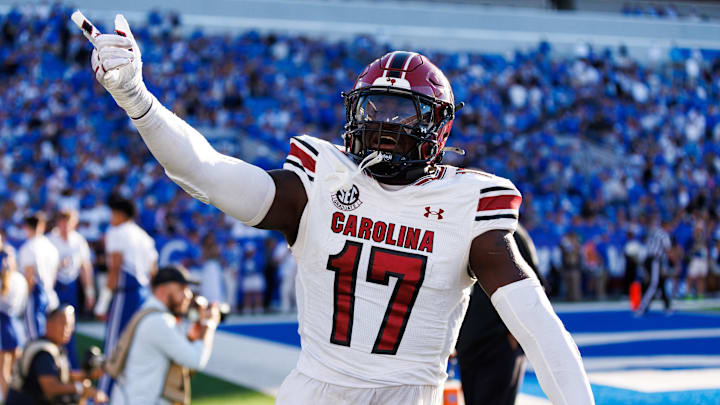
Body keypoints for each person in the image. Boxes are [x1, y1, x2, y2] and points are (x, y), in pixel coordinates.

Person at [74, 14, 594, 404]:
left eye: (402, 112)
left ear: (439, 127)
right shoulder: (318, 181)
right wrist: (137, 99)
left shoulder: (467, 205)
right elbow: (206, 173)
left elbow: (539, 328)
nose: (385, 125)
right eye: (374, 108)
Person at [455, 224, 543, 405]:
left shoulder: (512, 233)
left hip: (498, 342)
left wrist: (516, 334)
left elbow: (534, 287)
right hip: (469, 342)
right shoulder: (462, 228)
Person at [109, 265, 219, 405]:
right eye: (181, 289)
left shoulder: (153, 314)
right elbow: (196, 360)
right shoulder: (158, 321)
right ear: (162, 290)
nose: (188, 295)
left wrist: (193, 336)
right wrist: (209, 323)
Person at [94, 196, 158, 399]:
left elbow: (114, 269)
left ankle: (103, 395)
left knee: (113, 347)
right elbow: (153, 271)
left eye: (113, 213)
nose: (111, 218)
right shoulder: (144, 237)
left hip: (125, 294)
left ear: (120, 214)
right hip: (144, 294)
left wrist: (102, 304)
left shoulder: (117, 232)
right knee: (136, 348)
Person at [5, 305, 107, 405]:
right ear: (48, 324)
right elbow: (50, 387)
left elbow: (63, 376)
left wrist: (86, 375)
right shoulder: (44, 351)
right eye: (63, 324)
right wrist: (80, 388)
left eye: (70, 326)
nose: (67, 329)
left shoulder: (55, 347)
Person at [48, 210, 96, 369]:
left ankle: (70, 365)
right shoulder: (50, 240)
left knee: (69, 326)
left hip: (71, 287)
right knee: (52, 324)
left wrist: (89, 291)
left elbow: (85, 267)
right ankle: (51, 362)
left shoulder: (78, 240)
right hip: (55, 286)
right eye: (63, 221)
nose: (65, 226)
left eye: (69, 222)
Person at [19, 213, 60, 341]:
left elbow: (29, 277)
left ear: (26, 227)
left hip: (35, 295)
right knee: (49, 333)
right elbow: (54, 275)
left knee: (34, 338)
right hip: (50, 293)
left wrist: (22, 301)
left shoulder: (29, 247)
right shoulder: (51, 246)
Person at [0, 233, 27, 398]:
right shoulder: (20, 279)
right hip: (16, 326)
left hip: (3, 328)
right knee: (16, 372)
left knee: (3, 372)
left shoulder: (6, 281)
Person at [636, 217, 672, 315]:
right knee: (654, 284)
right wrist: (672, 264)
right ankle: (642, 307)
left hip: (649, 259)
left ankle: (667, 306)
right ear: (666, 225)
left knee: (661, 283)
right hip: (655, 260)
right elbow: (668, 250)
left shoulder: (655, 232)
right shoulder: (664, 235)